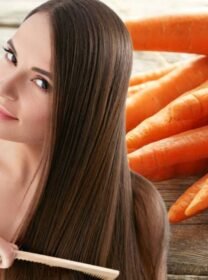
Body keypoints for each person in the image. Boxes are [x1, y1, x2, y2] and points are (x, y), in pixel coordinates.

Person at [0, 0, 169, 278]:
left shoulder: (134, 210)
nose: (5, 87)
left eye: (42, 83)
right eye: (10, 56)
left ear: (85, 106)